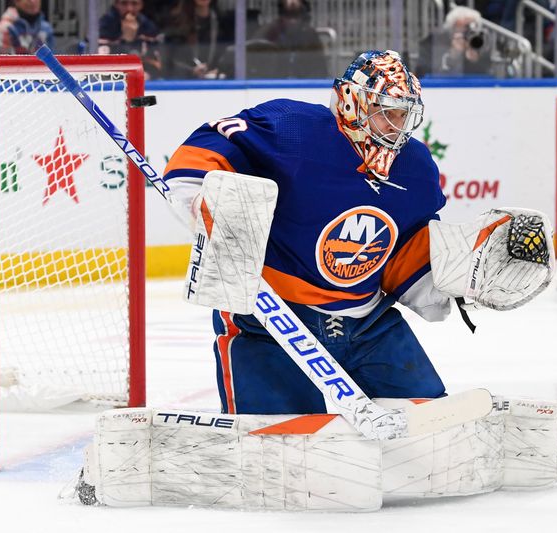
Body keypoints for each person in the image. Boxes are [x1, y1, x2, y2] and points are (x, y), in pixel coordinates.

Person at [162, 50, 452, 414]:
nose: (395, 125)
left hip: (368, 324)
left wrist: (449, 283)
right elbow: (212, 145)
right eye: (386, 112)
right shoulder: (292, 128)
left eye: (402, 114)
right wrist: (201, 194)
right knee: (276, 443)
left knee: (425, 418)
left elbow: (404, 249)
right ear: (353, 103)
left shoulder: (415, 166)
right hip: (270, 319)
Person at [251, 0, 328, 79]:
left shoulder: (310, 34)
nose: (292, 2)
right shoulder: (268, 32)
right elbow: (255, 69)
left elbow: (320, 71)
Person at [416, 5, 494, 77]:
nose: (469, 32)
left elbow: (489, 74)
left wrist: (473, 60)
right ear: (452, 27)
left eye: (474, 27)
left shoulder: (483, 41)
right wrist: (453, 56)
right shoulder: (433, 40)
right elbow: (423, 71)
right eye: (466, 27)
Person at [162, 0, 231, 79]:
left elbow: (226, 52)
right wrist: (191, 70)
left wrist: (217, 69)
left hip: (213, 78)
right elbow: (170, 56)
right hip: (183, 80)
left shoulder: (222, 19)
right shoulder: (177, 20)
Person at [98, 0, 161, 79]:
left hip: (142, 80)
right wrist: (126, 40)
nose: (129, 9)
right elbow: (98, 64)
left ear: (141, 5)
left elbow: (156, 65)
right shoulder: (103, 26)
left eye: (134, 4)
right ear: (116, 4)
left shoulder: (148, 28)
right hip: (110, 81)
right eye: (124, 3)